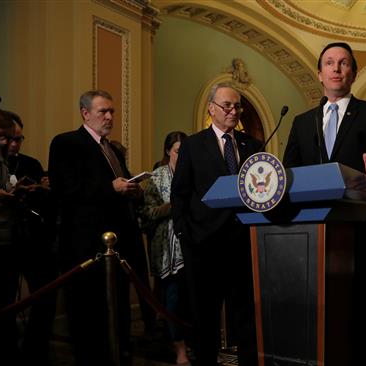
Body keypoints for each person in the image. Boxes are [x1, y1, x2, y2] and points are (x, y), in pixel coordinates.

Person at [283, 42, 366, 364]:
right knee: (319, 316)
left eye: (344, 63)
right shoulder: (301, 122)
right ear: (320, 74)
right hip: (311, 236)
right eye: (329, 63)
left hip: (361, 233)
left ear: (353, 72)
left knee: (361, 316)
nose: (336, 68)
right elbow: (289, 174)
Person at [48, 90, 144, 365]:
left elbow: (119, 185)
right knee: (88, 312)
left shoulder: (111, 148)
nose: (110, 116)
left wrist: (133, 190)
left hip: (116, 244)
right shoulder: (67, 143)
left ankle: (118, 353)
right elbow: (64, 189)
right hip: (85, 245)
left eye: (112, 111)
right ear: (85, 113)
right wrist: (110, 187)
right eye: (103, 111)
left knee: (117, 309)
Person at [171, 82, 260, 366]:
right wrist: (186, 235)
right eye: (227, 106)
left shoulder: (252, 145)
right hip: (203, 245)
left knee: (246, 314)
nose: (233, 111)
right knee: (205, 316)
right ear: (211, 108)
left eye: (237, 106)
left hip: (244, 243)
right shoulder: (193, 145)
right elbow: (180, 194)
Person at [5, 113, 58, 365]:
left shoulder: (31, 164)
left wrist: (41, 190)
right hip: (4, 241)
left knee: (44, 295)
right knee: (4, 301)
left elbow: (46, 203)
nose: (15, 144)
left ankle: (35, 351)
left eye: (20, 139)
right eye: (11, 139)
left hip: (33, 238)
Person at [140, 131, 190, 366]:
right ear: (168, 151)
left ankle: (191, 343)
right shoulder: (156, 178)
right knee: (173, 299)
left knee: (190, 300)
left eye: (185, 151)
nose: (182, 156)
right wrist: (173, 206)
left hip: (193, 243)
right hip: (168, 250)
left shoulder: (194, 174)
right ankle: (179, 350)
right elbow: (147, 215)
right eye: (178, 151)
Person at [0, 105, 21, 364]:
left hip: (5, 238)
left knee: (6, 304)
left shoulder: (1, 158)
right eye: (1, 136)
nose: (7, 142)